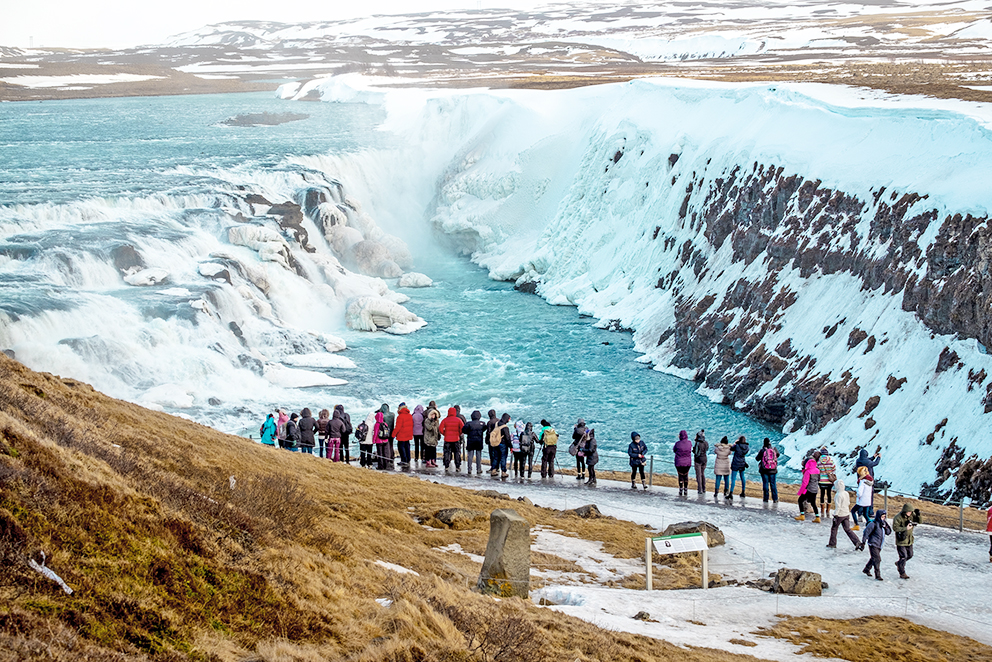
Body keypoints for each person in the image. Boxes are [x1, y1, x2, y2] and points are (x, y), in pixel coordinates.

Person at [827, 480, 861, 549]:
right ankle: (857, 542)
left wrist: (835, 515)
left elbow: (838, 506)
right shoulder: (846, 493)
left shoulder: (838, 495)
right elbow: (848, 503)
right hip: (846, 513)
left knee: (834, 528)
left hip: (840, 515)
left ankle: (832, 543)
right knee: (847, 529)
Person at [892, 503, 922, 579]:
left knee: (910, 555)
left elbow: (920, 521)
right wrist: (905, 528)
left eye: (911, 512)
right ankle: (902, 572)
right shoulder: (897, 518)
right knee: (903, 556)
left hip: (909, 540)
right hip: (901, 540)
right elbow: (895, 528)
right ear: (905, 511)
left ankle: (899, 563)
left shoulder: (912, 515)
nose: (910, 513)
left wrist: (918, 515)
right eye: (909, 512)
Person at [861, 509, 891, 581]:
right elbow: (866, 532)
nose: (883, 518)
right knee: (877, 559)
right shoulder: (873, 524)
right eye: (882, 517)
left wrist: (885, 527)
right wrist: (863, 542)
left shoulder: (884, 523)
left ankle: (866, 569)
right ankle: (877, 575)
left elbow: (888, 532)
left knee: (873, 558)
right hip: (873, 544)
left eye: (884, 517)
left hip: (879, 544)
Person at [795, 452, 821, 522]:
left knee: (800, 500)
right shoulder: (817, 470)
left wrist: (800, 492)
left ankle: (802, 515)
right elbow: (818, 479)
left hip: (808, 490)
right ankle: (817, 517)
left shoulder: (808, 471)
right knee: (813, 503)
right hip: (815, 489)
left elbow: (805, 483)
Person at [440, 407, 463, 472]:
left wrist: (445, 434)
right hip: (456, 439)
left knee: (447, 452)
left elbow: (440, 429)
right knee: (457, 453)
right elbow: (462, 428)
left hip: (447, 439)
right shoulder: (458, 420)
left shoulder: (445, 420)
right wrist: (458, 434)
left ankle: (446, 466)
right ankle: (457, 466)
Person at [464, 410, 486, 474]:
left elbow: (464, 430)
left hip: (470, 440)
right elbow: (484, 429)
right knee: (478, 455)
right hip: (479, 440)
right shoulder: (482, 423)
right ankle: (479, 469)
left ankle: (469, 469)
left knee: (470, 455)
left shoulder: (468, 423)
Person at [756, 438, 778, 502]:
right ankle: (775, 498)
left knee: (765, 484)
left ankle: (766, 498)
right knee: (773, 484)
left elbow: (757, 458)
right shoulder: (774, 449)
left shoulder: (762, 450)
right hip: (773, 470)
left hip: (764, 470)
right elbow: (778, 455)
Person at [817, 446, 837, 518]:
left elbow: (817, 469)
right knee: (829, 494)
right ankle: (828, 511)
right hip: (829, 481)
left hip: (821, 481)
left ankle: (822, 511)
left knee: (822, 495)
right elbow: (834, 469)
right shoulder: (830, 461)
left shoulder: (819, 461)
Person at [728, 435, 749, 499]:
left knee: (733, 478)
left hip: (736, 463)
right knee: (742, 477)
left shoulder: (737, 446)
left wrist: (735, 443)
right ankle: (743, 491)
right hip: (742, 463)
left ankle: (731, 493)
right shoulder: (747, 447)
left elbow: (731, 448)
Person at [491, 413, 512, 478]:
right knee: (503, 457)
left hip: (496, 443)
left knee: (496, 457)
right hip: (503, 444)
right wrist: (511, 446)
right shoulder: (505, 427)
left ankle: (493, 470)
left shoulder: (496, 424)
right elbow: (507, 438)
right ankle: (503, 472)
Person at [674, 430, 693, 496]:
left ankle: (681, 488)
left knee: (680, 475)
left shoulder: (677, 443)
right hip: (687, 462)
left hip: (679, 462)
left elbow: (674, 450)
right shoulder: (689, 443)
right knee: (686, 475)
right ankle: (686, 488)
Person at [692, 429, 708, 494]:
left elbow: (695, 452)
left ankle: (700, 489)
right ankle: (704, 488)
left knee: (698, 475)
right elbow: (706, 449)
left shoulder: (697, 443)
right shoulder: (706, 443)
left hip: (698, 460)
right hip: (704, 458)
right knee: (702, 473)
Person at [485, 409, 500, 476]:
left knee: (492, 454)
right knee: (498, 454)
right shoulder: (499, 421)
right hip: (498, 439)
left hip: (492, 440)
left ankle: (493, 468)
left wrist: (487, 439)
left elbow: (488, 432)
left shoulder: (489, 422)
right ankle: (497, 467)